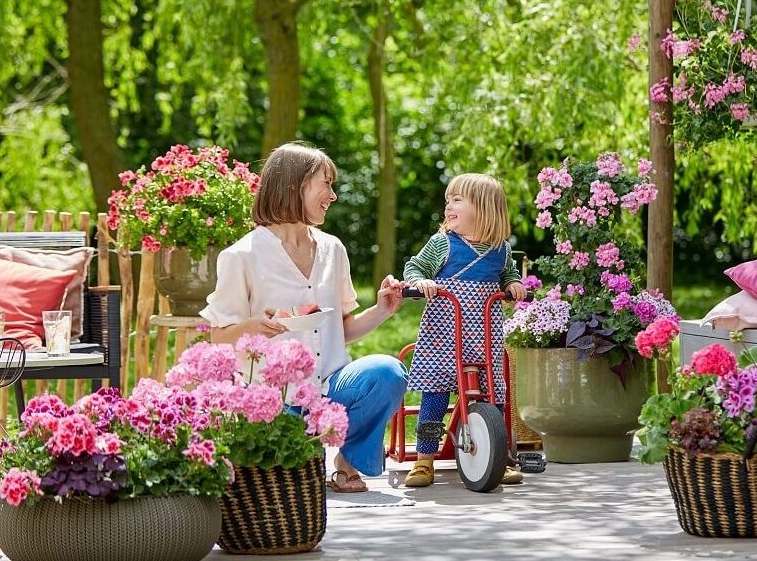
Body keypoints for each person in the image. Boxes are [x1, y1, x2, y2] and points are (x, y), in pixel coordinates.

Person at [200, 142, 408, 493]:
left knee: (388, 372)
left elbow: (340, 330)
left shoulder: (332, 249)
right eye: (325, 184)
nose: (333, 195)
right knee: (287, 467)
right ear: (294, 186)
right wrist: (253, 329)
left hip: (331, 384)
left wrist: (382, 310)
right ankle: (301, 459)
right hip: (275, 398)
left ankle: (346, 462)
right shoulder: (241, 256)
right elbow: (218, 338)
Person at [401, 173, 527, 488]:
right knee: (435, 396)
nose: (449, 207)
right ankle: (424, 460)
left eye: (457, 200)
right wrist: (421, 282)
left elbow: (507, 272)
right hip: (443, 335)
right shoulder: (442, 243)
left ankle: (495, 456)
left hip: (483, 336)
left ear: (484, 209)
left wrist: (512, 283)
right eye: (448, 201)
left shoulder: (500, 249)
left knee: (493, 394)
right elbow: (414, 268)